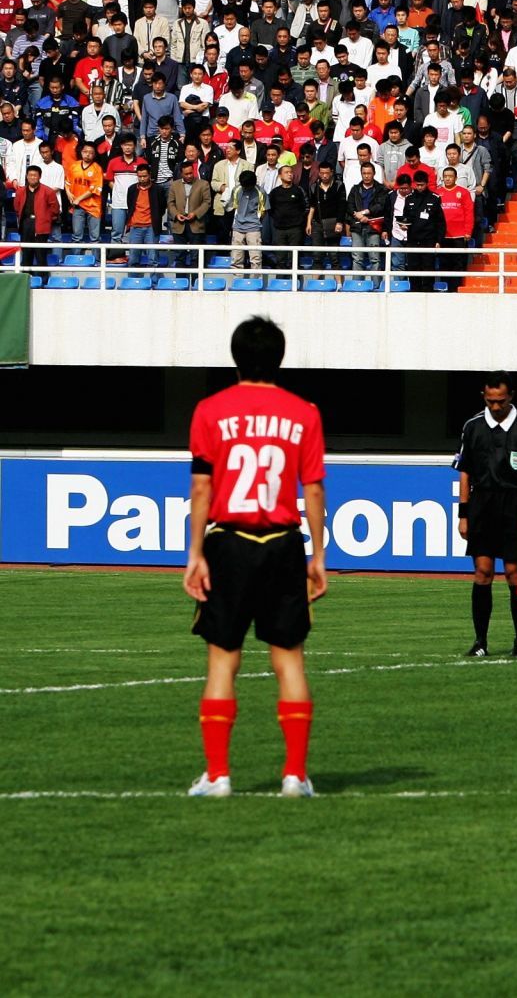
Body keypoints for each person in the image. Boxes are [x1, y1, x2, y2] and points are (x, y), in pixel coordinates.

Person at [183, 317, 327, 798]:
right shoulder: (304, 412)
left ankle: (219, 776)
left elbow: (202, 486)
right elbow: (312, 488)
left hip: (229, 543)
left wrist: (195, 554)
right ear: (279, 358)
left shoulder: (209, 410)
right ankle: (293, 775)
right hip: (283, 543)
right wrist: (319, 556)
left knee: (223, 663)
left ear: (236, 357)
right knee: (289, 662)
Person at [454, 373, 517, 657]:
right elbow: (464, 472)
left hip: (514, 503)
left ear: (511, 396)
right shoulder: (473, 426)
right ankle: (481, 641)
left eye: (500, 402)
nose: (495, 407)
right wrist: (463, 514)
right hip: (482, 504)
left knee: (515, 575)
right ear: (484, 396)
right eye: (490, 401)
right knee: (482, 572)